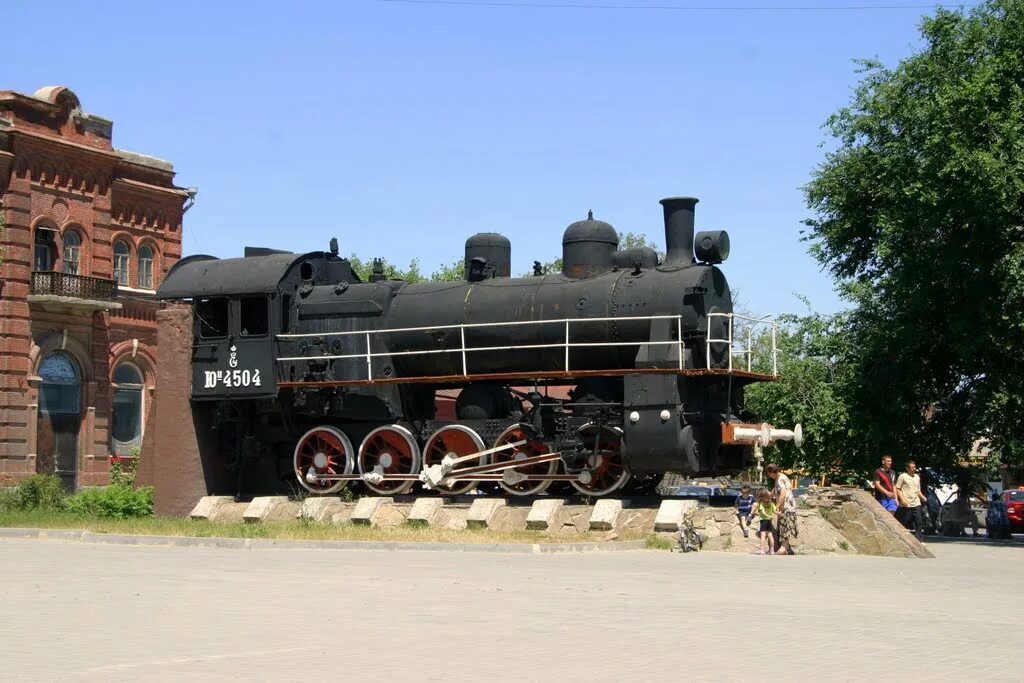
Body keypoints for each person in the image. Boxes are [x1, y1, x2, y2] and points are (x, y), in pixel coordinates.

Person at [766, 463, 797, 555]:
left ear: (772, 472)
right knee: (784, 527)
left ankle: (783, 548)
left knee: (785, 527)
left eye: (769, 473)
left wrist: (777, 506)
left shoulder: (779, 479)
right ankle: (787, 548)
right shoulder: (781, 477)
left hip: (786, 507)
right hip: (789, 506)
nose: (769, 476)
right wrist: (769, 496)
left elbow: (782, 494)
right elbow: (776, 490)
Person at [895, 460, 927, 541]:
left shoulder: (917, 477)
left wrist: (922, 497)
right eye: (912, 467)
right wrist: (902, 499)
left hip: (916, 503)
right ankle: (899, 538)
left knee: (918, 521)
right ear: (907, 468)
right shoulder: (902, 476)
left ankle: (920, 540)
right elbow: (898, 489)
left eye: (915, 467)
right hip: (906, 503)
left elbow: (918, 490)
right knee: (904, 521)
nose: (914, 468)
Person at [753, 488, 777, 555]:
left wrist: (767, 516)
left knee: (763, 536)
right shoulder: (771, 503)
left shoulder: (762, 503)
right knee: (770, 535)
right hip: (769, 521)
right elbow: (775, 511)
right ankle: (772, 550)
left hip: (763, 520)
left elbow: (762, 512)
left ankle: (762, 550)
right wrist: (779, 513)